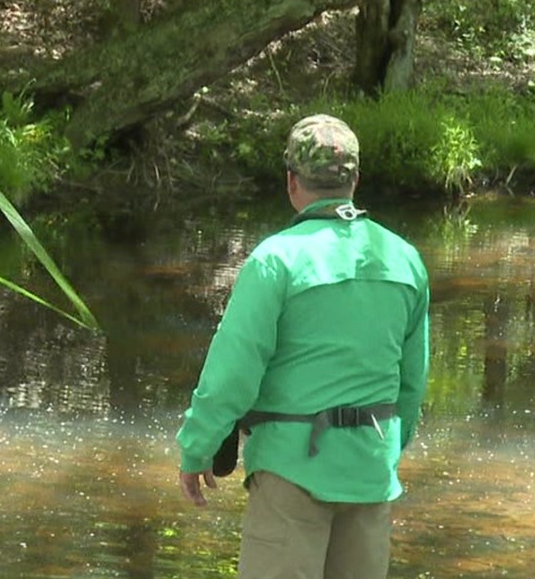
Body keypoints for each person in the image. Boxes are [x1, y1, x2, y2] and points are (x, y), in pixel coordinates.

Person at [175, 115, 430, 579]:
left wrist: (198, 447)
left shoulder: (277, 260)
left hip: (290, 471)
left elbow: (234, 369)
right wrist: (386, 449)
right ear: (355, 179)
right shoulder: (404, 259)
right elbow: (411, 384)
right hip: (370, 469)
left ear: (292, 182)